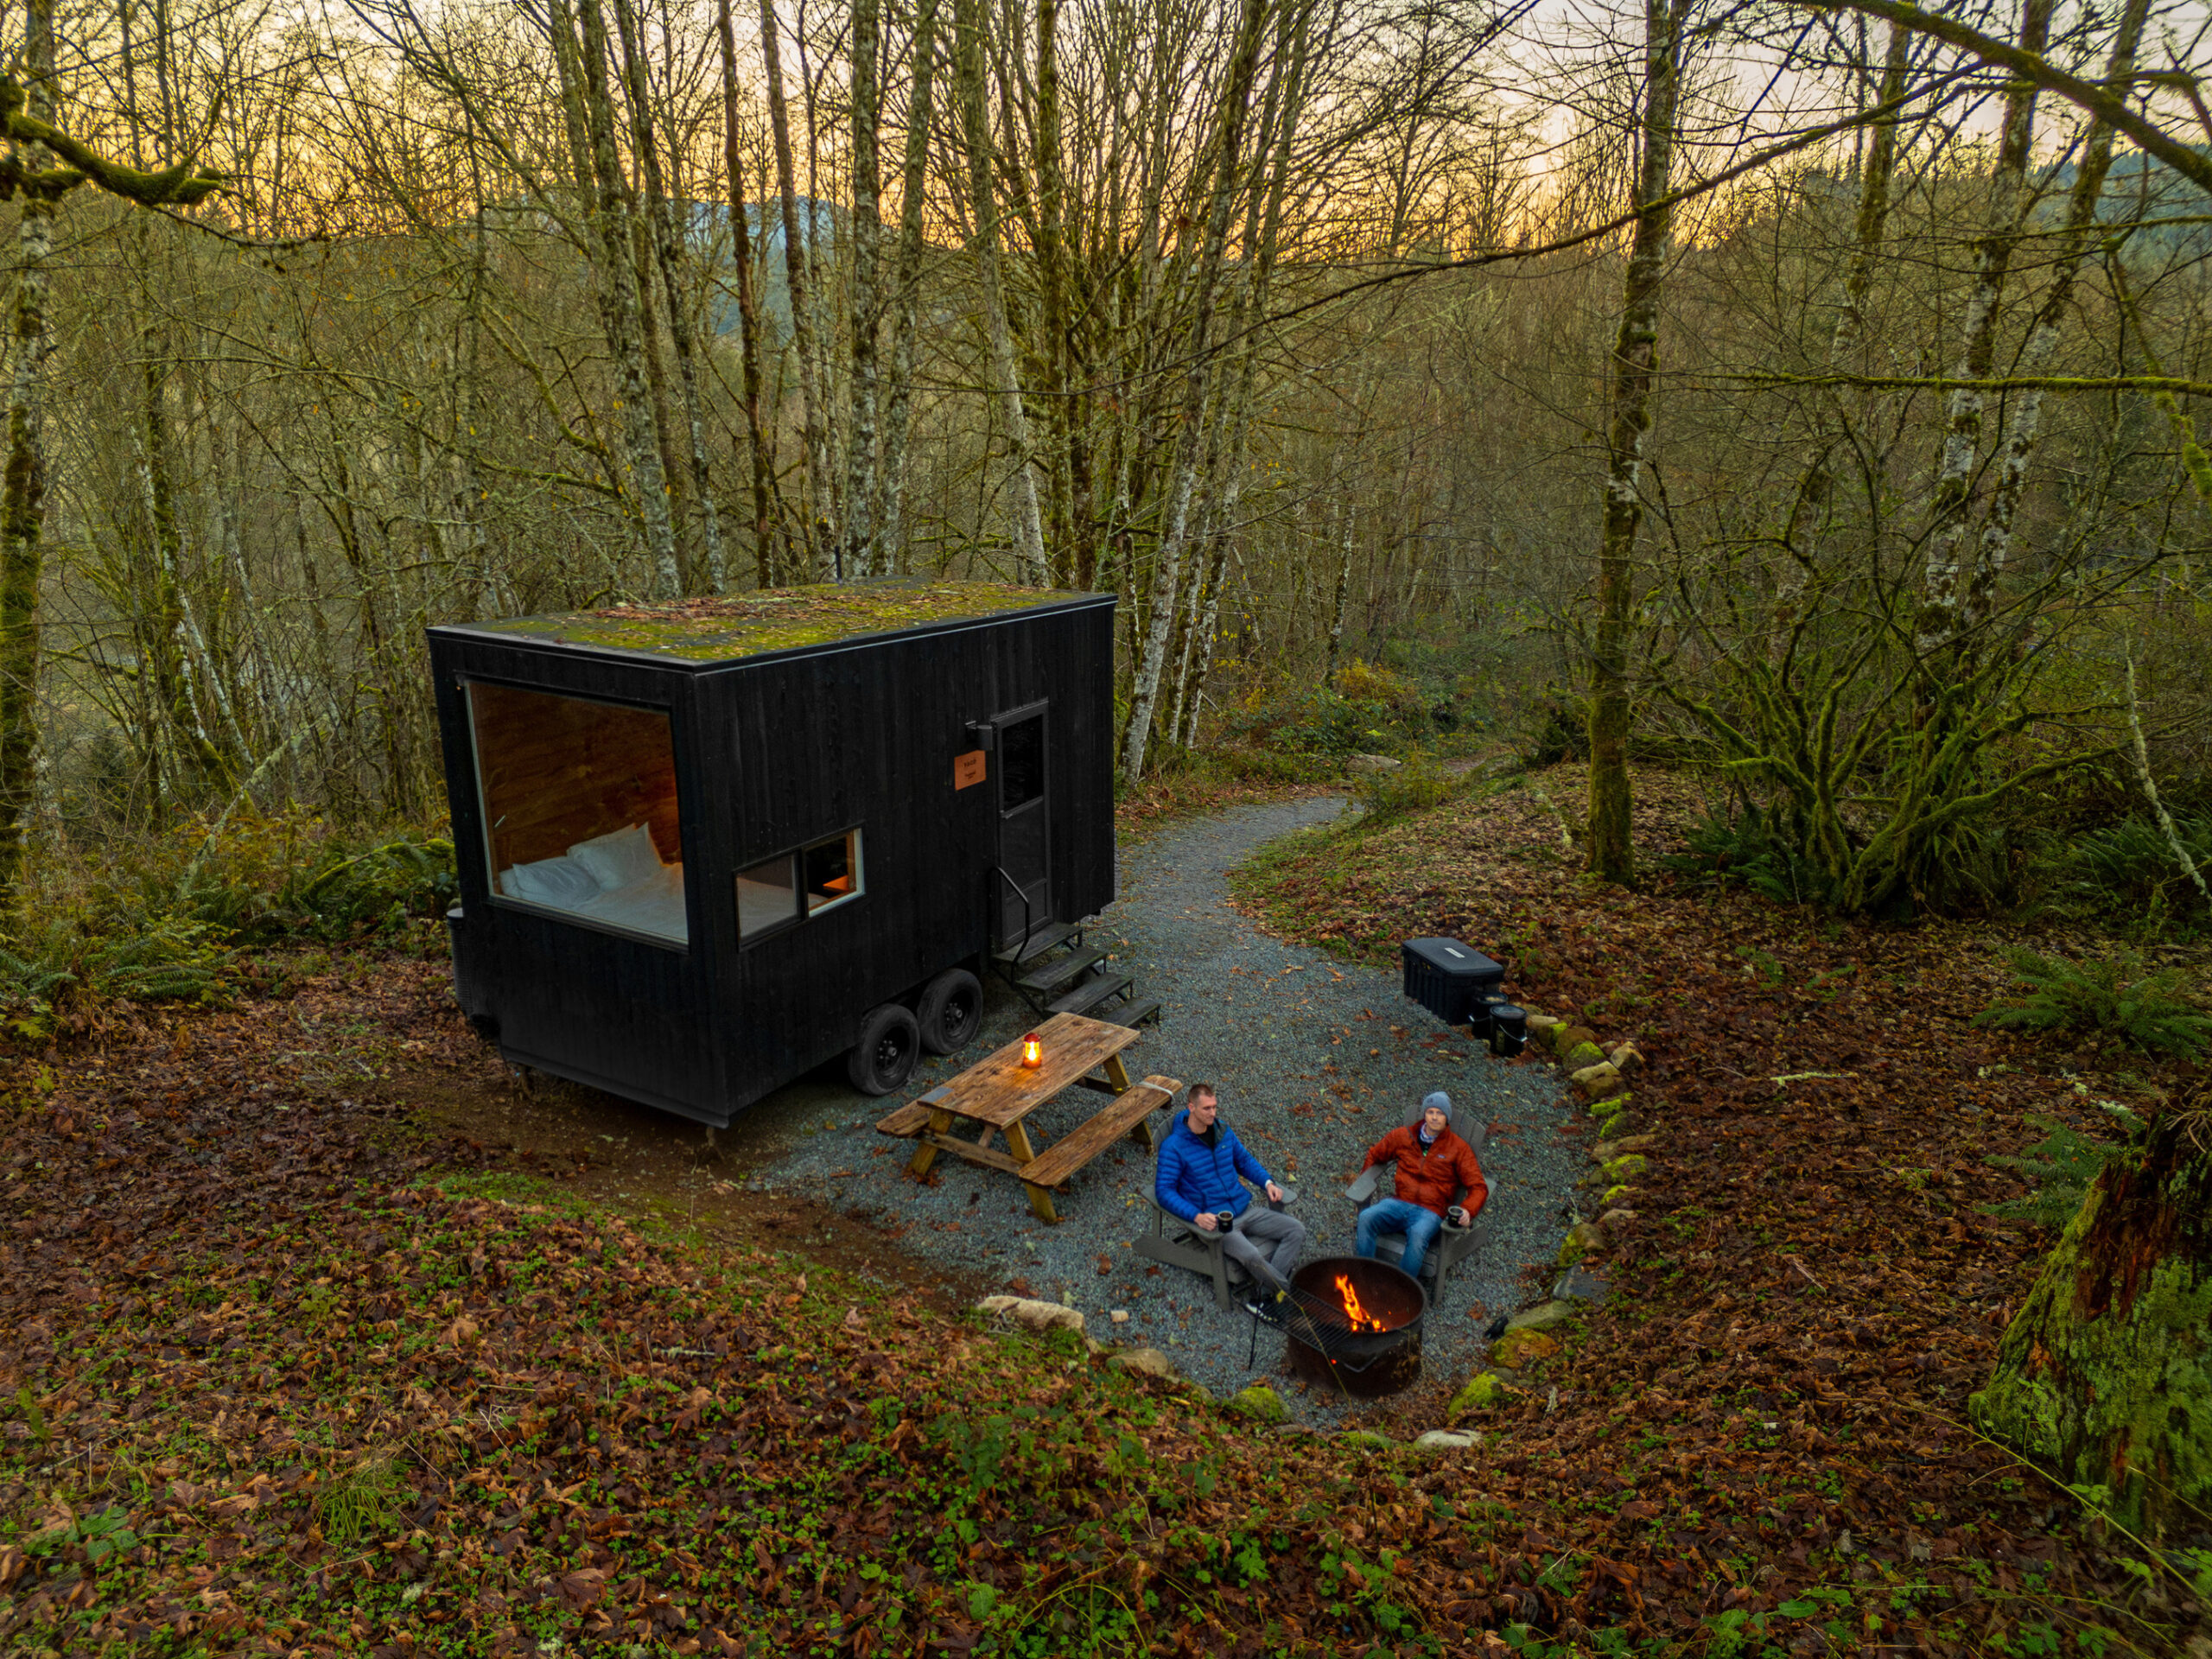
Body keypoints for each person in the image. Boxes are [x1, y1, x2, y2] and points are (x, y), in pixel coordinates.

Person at [1154, 1082, 1307, 1298]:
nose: (1213, 1113)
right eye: (1207, 1108)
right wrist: (1196, 1216)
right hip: (1219, 1224)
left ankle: (1265, 1295)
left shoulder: (1222, 1132)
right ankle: (1292, 1295)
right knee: (1253, 1256)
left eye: (1215, 1107)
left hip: (1244, 1209)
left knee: (1296, 1229)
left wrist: (1268, 1183)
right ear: (1191, 1107)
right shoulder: (1174, 1147)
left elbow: (1244, 1161)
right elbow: (1164, 1191)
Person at [1354, 1090, 1487, 1281]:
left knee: (1417, 1234)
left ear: (1447, 1118)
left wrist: (1467, 1210)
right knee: (1366, 1217)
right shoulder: (1402, 1136)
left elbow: (1478, 1186)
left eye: (1439, 1113)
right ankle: (1362, 1276)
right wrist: (1363, 1183)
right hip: (1399, 1203)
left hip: (1431, 1212)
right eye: (1430, 1112)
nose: (1434, 1117)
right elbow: (1375, 1155)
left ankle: (1402, 1290)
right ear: (1424, 1114)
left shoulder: (1459, 1148)